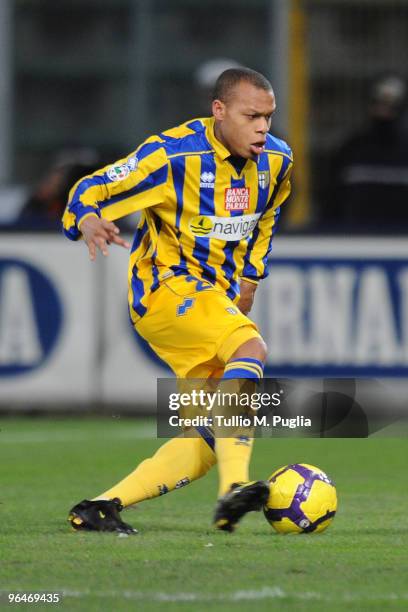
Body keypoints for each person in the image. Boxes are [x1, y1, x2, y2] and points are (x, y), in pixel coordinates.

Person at [62, 67, 293, 534]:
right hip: (165, 289)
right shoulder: (172, 156)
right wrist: (85, 220)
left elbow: (266, 218)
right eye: (252, 116)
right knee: (251, 349)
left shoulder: (277, 161)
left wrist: (250, 278)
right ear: (219, 111)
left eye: (268, 116)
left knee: (207, 439)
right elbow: (91, 188)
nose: (263, 127)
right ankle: (236, 489)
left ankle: (98, 508)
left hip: (211, 297)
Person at [329, 74, 408, 231]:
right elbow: (332, 201)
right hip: (356, 242)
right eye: (378, 104)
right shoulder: (351, 150)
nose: (383, 111)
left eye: (391, 106)